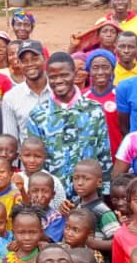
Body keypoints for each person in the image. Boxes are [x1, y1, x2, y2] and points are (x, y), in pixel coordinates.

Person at [26, 51, 113, 193]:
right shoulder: (38, 115)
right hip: (51, 197)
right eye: (53, 77)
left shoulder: (94, 110)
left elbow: (103, 154)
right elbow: (34, 162)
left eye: (64, 75)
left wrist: (104, 192)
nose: (59, 81)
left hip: (88, 197)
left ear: (74, 73)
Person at [1, 40, 51, 137]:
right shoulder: (10, 98)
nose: (30, 64)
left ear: (44, 59)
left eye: (35, 59)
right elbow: (11, 139)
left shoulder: (58, 90)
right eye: (24, 61)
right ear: (19, 63)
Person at [83, 49, 121, 155]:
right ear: (89, 71)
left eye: (105, 67)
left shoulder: (120, 95)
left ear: (112, 69)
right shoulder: (81, 97)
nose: (100, 72)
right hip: (89, 158)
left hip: (116, 156)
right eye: (95, 68)